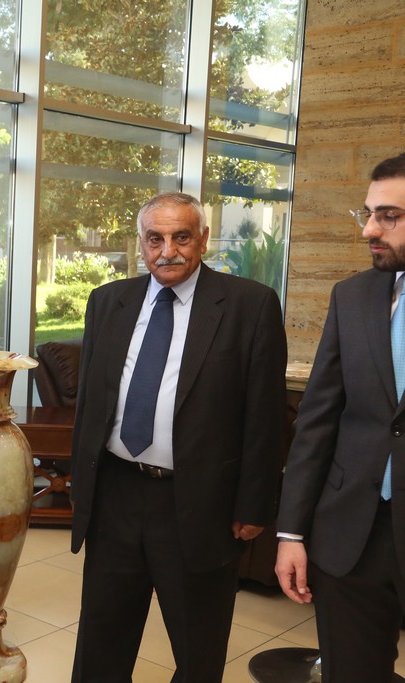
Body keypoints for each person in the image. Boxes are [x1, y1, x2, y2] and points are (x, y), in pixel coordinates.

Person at [68, 191, 287, 682]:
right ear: (141, 244)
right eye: (155, 239)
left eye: (181, 237)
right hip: (116, 495)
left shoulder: (249, 305)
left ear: (203, 240)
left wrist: (254, 505)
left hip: (200, 502)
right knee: (102, 637)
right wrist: (82, 486)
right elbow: (91, 406)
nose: (167, 251)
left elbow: (266, 416)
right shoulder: (108, 302)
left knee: (197, 646)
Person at [275, 152, 405, 682]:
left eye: (389, 216)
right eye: (368, 213)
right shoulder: (351, 297)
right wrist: (290, 533)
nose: (369, 230)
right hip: (352, 536)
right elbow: (318, 420)